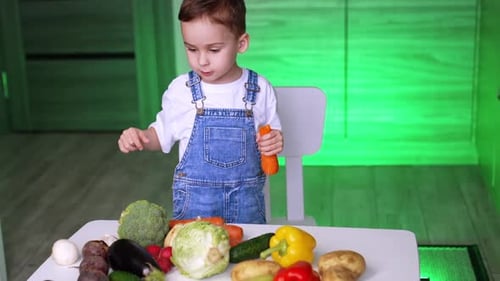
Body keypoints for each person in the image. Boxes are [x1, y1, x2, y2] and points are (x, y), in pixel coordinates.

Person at [118, 0, 283, 224]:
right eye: (191, 49)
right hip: (195, 213)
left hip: (247, 209)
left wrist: (274, 141)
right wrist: (141, 137)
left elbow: (272, 137)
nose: (202, 60)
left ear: (241, 43)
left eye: (214, 50)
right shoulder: (182, 90)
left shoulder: (260, 89)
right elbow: (160, 135)